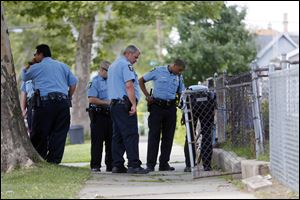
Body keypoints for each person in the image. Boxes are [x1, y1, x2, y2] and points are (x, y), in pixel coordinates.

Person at [22, 44, 78, 164]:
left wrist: (29, 64)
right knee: (59, 133)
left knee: (39, 132)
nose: (34, 56)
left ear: (41, 54)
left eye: (35, 54)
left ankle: (39, 160)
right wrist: (68, 96)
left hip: (45, 103)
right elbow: (73, 84)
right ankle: (54, 161)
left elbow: (24, 76)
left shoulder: (37, 67)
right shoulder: (63, 66)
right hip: (63, 103)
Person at [107, 45, 148, 174]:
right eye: (135, 57)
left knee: (117, 136)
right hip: (124, 104)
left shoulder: (113, 66)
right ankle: (134, 165)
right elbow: (129, 85)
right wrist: (133, 104)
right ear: (128, 53)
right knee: (131, 135)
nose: (136, 60)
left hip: (114, 105)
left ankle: (117, 165)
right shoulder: (125, 65)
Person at [139, 59, 186, 172]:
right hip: (157, 107)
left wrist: (182, 105)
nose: (180, 72)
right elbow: (141, 80)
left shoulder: (179, 76)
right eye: (179, 70)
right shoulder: (158, 71)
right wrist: (147, 96)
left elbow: (181, 92)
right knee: (154, 136)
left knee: (168, 137)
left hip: (170, 108)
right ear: (174, 65)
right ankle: (150, 164)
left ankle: (164, 163)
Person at [182, 84, 216, 172]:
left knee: (190, 135)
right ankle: (207, 165)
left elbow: (182, 104)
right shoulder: (208, 93)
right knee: (207, 133)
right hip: (206, 103)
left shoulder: (188, 91)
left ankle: (189, 165)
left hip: (191, 101)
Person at [87, 61, 113, 172]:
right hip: (98, 115)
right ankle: (95, 166)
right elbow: (91, 99)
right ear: (102, 70)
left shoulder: (112, 81)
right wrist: (107, 102)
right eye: (108, 72)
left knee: (111, 142)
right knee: (97, 142)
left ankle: (111, 165)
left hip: (111, 115)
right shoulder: (95, 81)